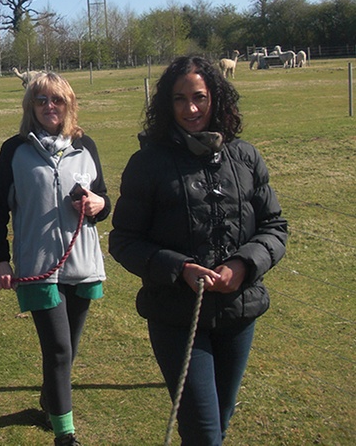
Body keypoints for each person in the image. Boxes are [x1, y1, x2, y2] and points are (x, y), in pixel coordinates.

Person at [109, 56, 288, 446]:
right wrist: (181, 268)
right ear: (166, 105)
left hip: (237, 313)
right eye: (179, 99)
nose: (191, 109)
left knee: (218, 425)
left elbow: (275, 227)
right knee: (204, 433)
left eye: (199, 97)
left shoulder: (245, 157)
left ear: (216, 99)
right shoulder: (148, 163)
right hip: (176, 316)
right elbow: (123, 240)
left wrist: (243, 264)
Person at [0, 72, 109, 446]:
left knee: (68, 349)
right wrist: (0, 260)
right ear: (30, 106)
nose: (49, 107)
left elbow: (103, 200)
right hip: (39, 268)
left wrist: (99, 205)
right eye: (41, 100)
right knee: (57, 349)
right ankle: (65, 435)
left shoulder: (86, 146)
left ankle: (49, 400)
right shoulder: (15, 150)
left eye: (56, 100)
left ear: (68, 104)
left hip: (82, 266)